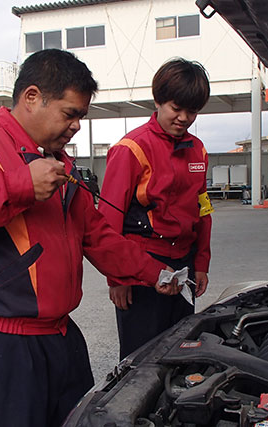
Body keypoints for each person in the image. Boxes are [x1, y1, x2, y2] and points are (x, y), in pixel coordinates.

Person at [0, 49, 180, 427]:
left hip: (61, 339)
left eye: (81, 116)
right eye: (70, 114)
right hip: (0, 345)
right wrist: (19, 185)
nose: (76, 126)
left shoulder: (59, 163)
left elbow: (98, 236)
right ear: (32, 97)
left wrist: (154, 273)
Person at [98, 58, 213, 360]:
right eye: (177, 108)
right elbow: (108, 221)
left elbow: (203, 212)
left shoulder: (198, 150)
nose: (184, 118)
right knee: (140, 358)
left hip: (184, 265)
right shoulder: (131, 149)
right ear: (158, 100)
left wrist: (201, 263)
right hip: (141, 266)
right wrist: (119, 279)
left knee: (181, 350)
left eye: (192, 111)